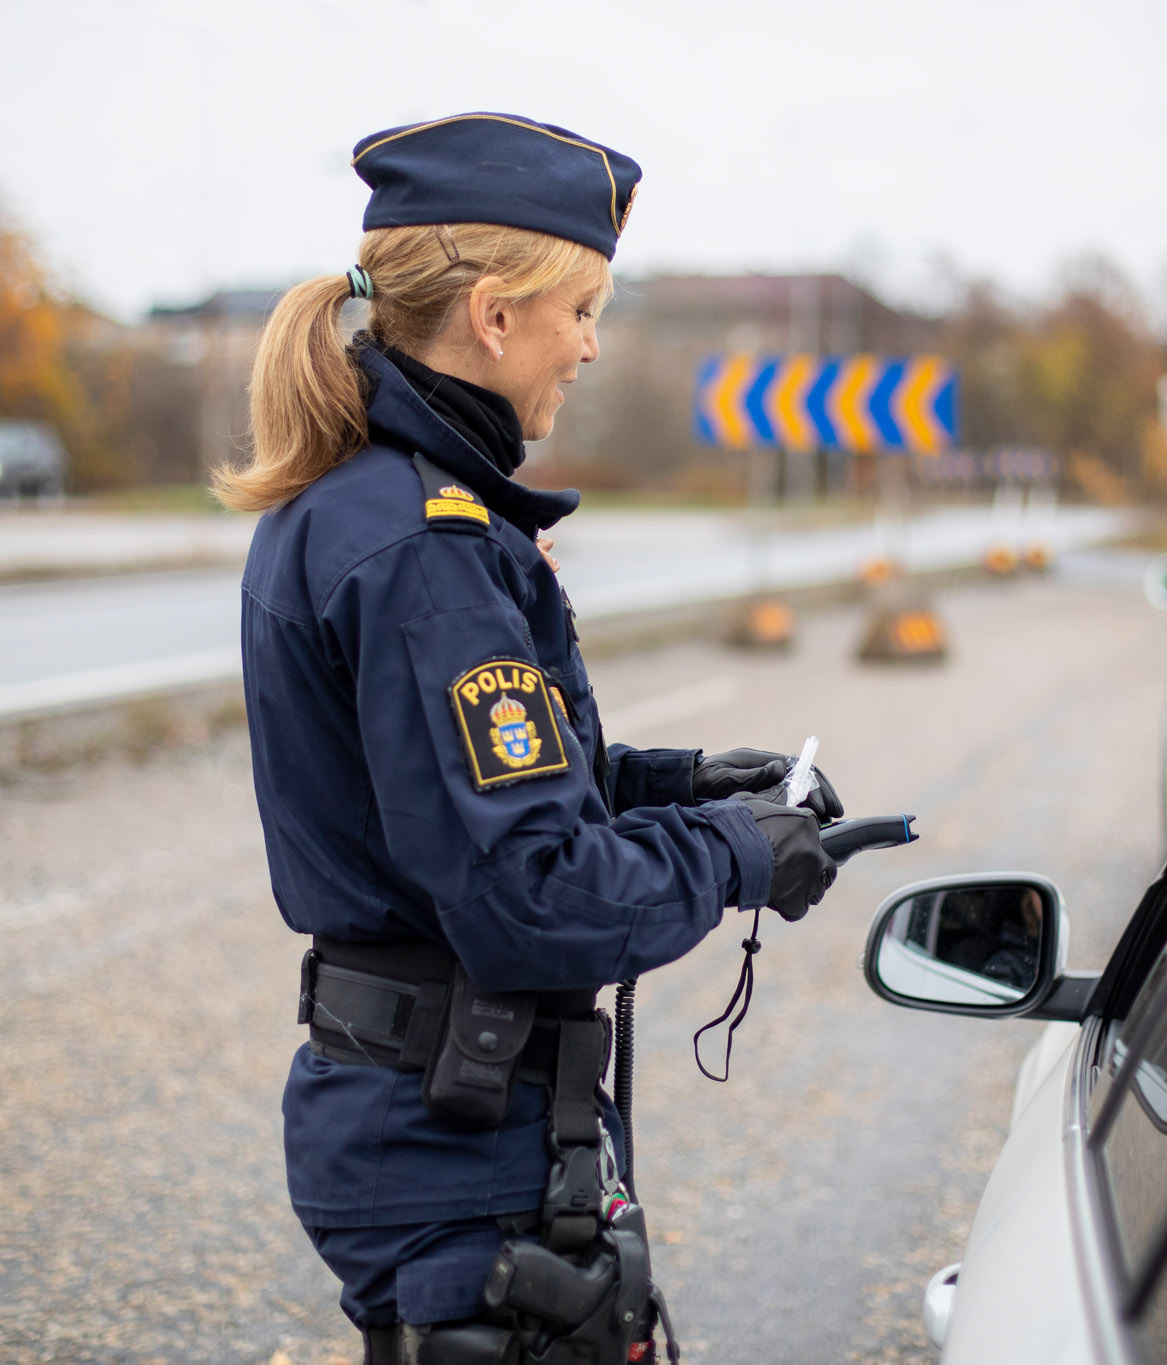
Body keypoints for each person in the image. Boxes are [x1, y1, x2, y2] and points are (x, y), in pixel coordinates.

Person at [214, 113, 844, 1365]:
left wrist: (670, 783)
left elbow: (447, 802)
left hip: (437, 1114)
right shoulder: (424, 551)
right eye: (581, 309)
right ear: (495, 317)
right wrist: (727, 857)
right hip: (450, 1134)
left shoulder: (366, 505)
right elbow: (530, 898)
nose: (594, 347)